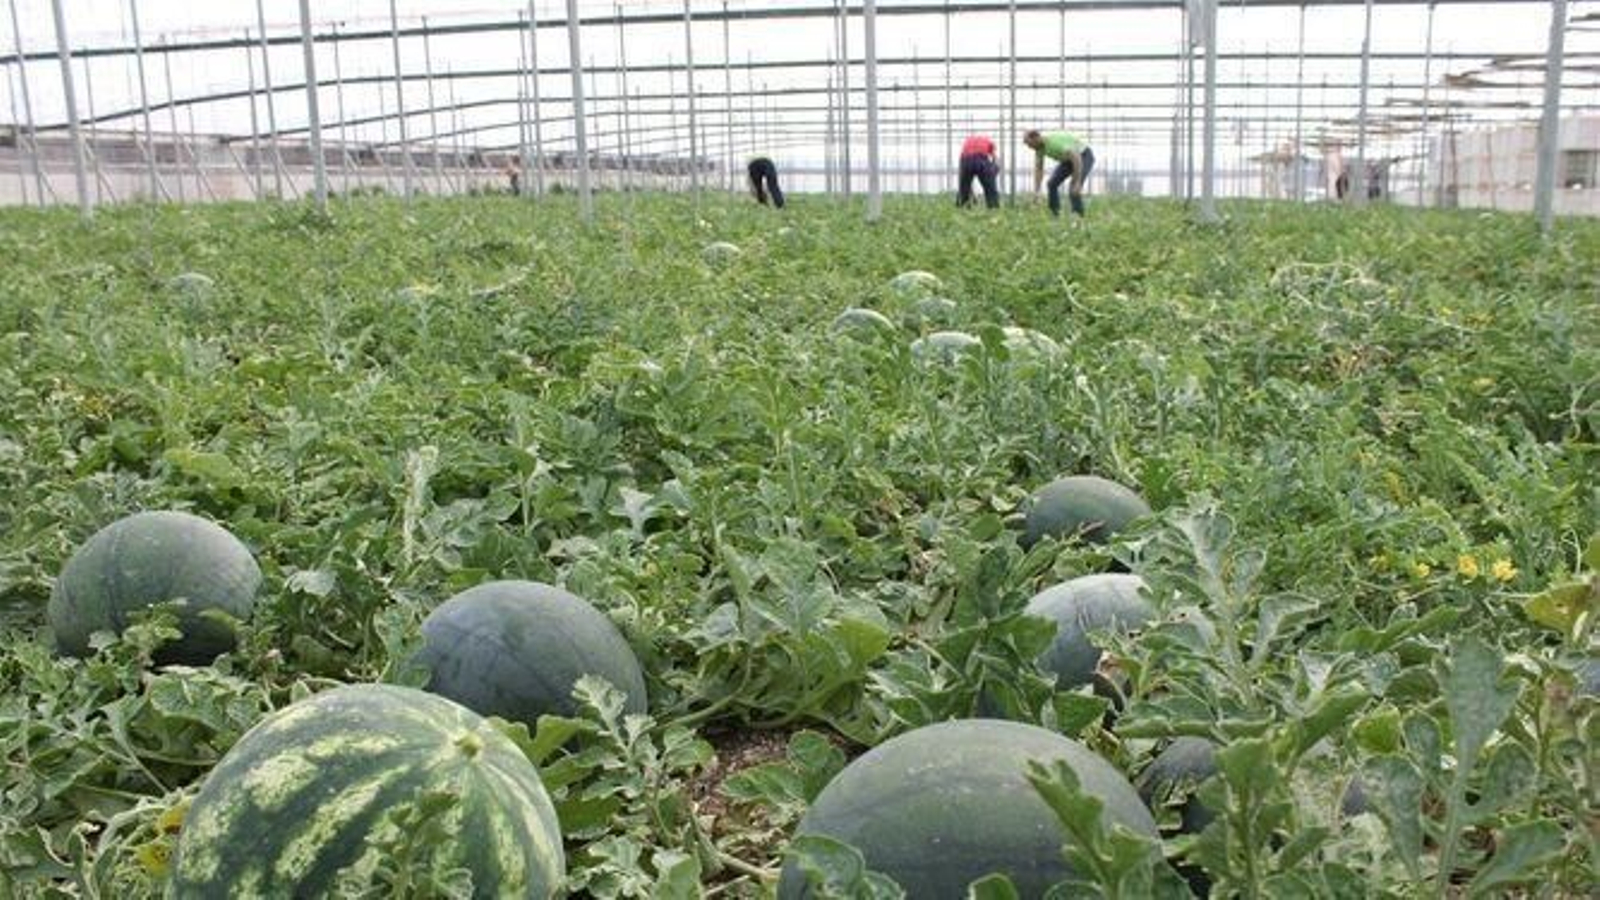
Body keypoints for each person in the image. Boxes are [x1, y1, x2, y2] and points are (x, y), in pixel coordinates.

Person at [1024, 129, 1096, 217]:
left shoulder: (1054, 143)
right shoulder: (1039, 149)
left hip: (1083, 156)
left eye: (1029, 144)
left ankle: (1078, 216)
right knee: (1052, 184)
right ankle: (1055, 214)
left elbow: (1076, 157)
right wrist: (1037, 192)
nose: (1029, 147)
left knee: (1074, 187)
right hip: (1068, 160)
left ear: (1036, 138)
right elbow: (1039, 170)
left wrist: (1077, 181)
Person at [956, 134, 1000, 209]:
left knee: (963, 188)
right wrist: (993, 172)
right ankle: (993, 207)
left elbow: (961, 157)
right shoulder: (990, 143)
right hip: (981, 159)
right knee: (990, 188)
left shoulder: (968, 141)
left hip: (966, 159)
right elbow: (995, 158)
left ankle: (963, 206)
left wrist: (963, 176)